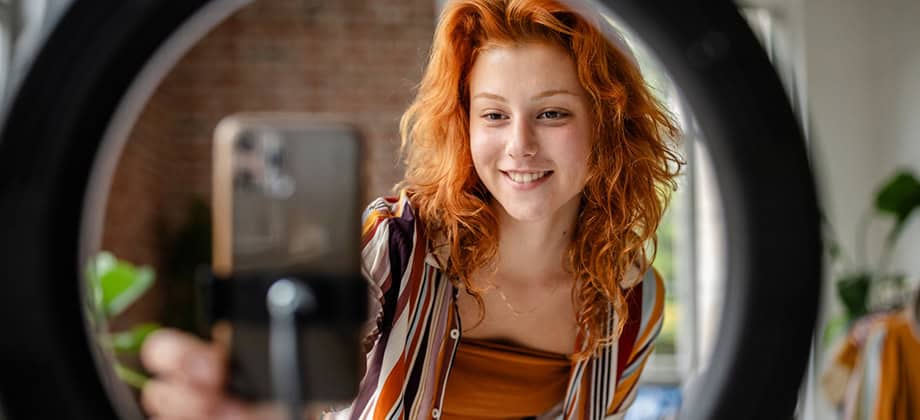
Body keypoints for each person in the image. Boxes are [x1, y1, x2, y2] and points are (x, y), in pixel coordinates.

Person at [139, 0, 682, 419]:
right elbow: (305, 382)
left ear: (609, 125)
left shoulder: (635, 300)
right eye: (494, 115)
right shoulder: (397, 243)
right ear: (464, 125)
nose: (519, 145)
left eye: (552, 114)